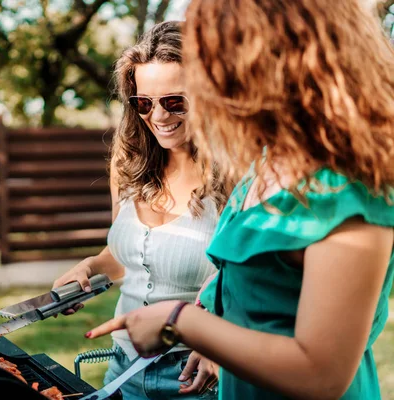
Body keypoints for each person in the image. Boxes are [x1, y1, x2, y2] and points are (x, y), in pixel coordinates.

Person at [85, 1, 394, 399]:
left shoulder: (350, 186)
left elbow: (323, 375)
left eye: (218, 56)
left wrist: (181, 322)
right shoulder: (266, 163)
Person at [52, 20, 232, 399]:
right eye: (144, 103)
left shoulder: (236, 176)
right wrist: (90, 268)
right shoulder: (130, 164)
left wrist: (219, 341)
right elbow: (121, 257)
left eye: (174, 101)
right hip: (122, 368)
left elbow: (248, 279)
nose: (159, 117)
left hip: (198, 374)